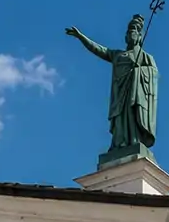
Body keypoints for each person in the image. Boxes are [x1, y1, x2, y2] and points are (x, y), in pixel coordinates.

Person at [65, 15, 159, 162]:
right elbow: (98, 49)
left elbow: (154, 74)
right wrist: (81, 37)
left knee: (132, 117)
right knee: (120, 121)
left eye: (134, 32)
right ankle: (119, 144)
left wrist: (139, 72)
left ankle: (134, 141)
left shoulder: (145, 57)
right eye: (129, 32)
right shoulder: (117, 54)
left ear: (140, 37)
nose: (131, 34)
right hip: (119, 94)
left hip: (135, 94)